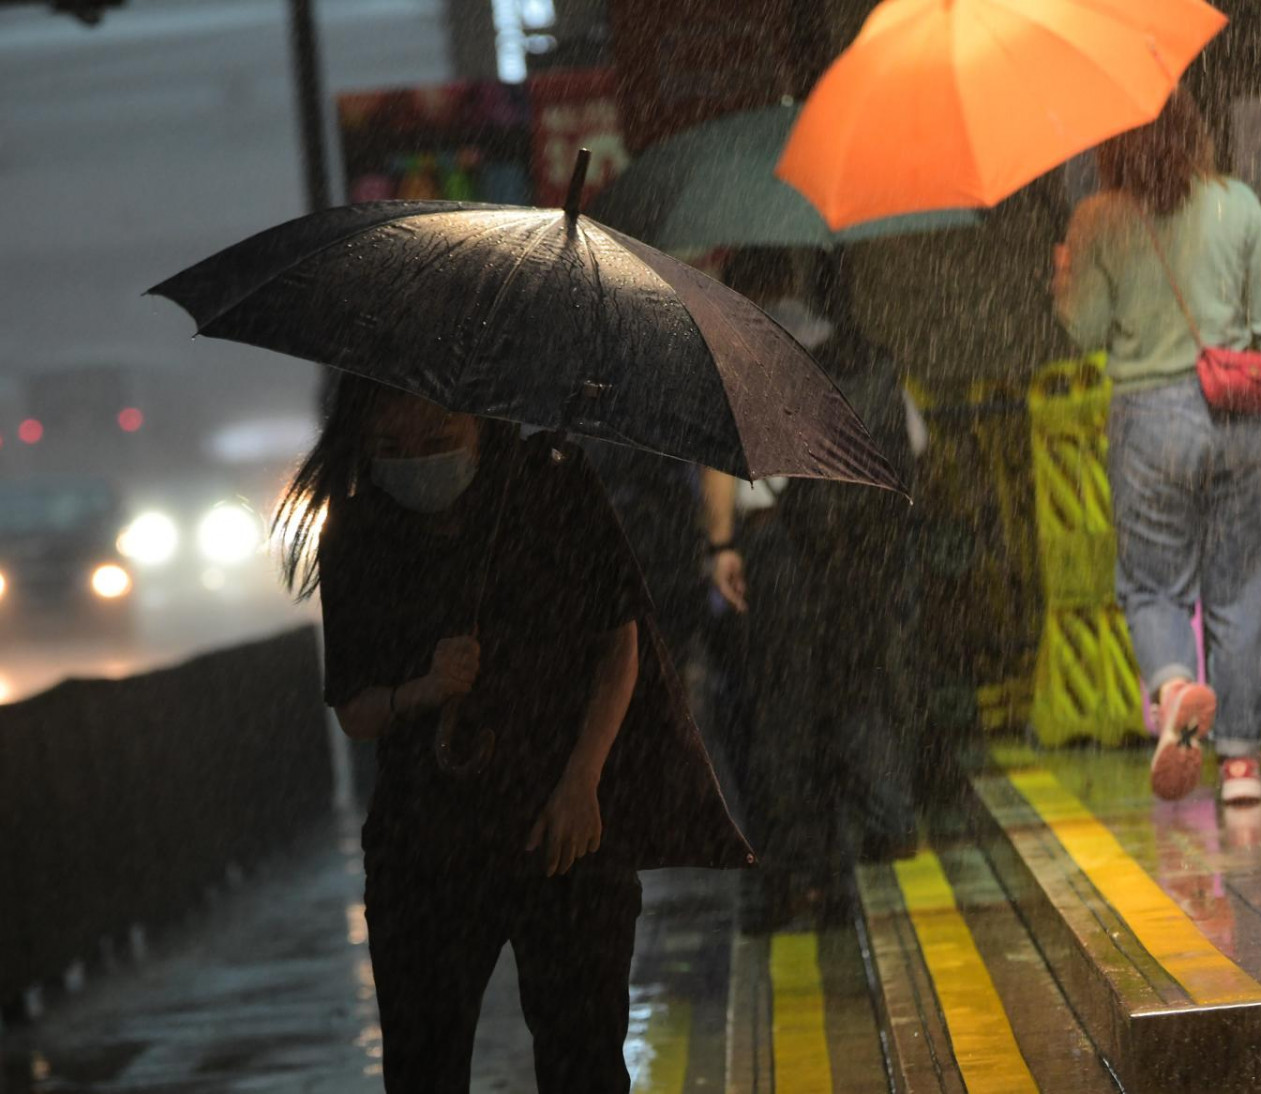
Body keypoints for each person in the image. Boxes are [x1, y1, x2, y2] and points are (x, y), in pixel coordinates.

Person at [273, 377, 748, 1093]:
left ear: (481, 420)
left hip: (564, 837)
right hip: (429, 849)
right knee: (424, 1066)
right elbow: (355, 710)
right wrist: (424, 691)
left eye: (437, 441)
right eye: (391, 448)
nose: (416, 461)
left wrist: (583, 782)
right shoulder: (358, 531)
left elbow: (620, 646)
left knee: (581, 1061)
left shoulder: (554, 488)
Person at [1051, 89, 1261, 806]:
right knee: (1239, 593)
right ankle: (1240, 765)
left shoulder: (1096, 220)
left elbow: (1084, 332)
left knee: (1152, 584)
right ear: (1194, 132)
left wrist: (1066, 280)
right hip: (1237, 416)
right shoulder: (1237, 205)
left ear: (1114, 146)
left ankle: (1175, 687)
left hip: (1151, 421)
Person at [703, 248, 920, 930]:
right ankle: (865, 844)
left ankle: (792, 875)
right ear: (789, 279)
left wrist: (720, 546)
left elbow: (721, 455)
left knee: (779, 713)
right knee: (848, 694)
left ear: (740, 288)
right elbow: (916, 440)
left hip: (776, 550)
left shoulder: (742, 349)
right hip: (852, 556)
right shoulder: (850, 350)